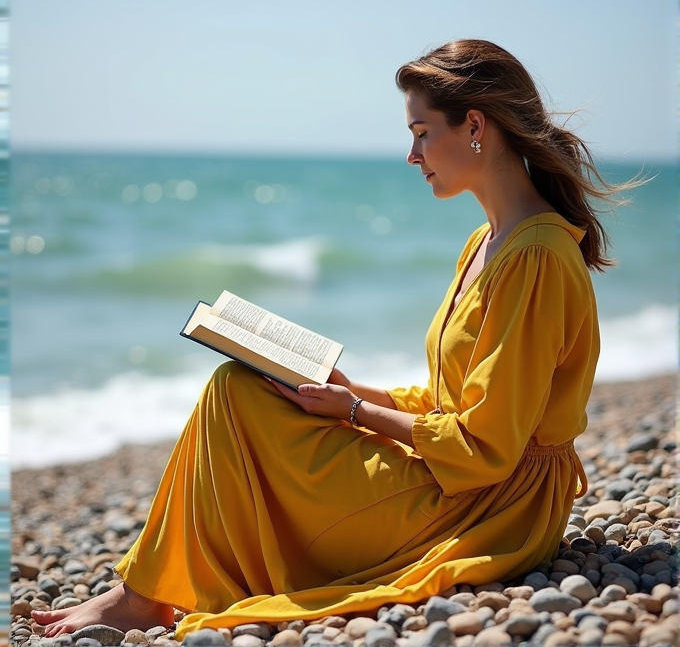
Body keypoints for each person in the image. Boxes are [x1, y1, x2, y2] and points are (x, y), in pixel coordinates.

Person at [33, 39, 632, 640]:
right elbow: (457, 401)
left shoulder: (536, 256)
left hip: (489, 504)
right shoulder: (486, 244)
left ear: (474, 125)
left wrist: (355, 412)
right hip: (461, 474)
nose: (411, 153)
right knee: (242, 387)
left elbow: (488, 443)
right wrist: (353, 392)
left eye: (422, 132)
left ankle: (144, 597)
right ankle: (142, 591)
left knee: (236, 399)